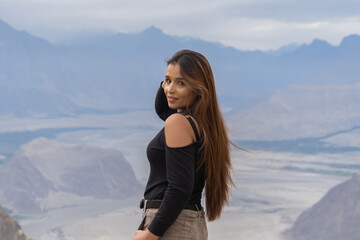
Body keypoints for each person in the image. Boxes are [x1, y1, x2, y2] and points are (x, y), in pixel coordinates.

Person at [132, 49, 240, 240]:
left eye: (181, 83)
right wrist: (171, 82)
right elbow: (162, 108)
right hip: (187, 224)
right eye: (168, 81)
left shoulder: (179, 123)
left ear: (198, 88)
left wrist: (151, 234)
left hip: (172, 227)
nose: (170, 89)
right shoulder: (202, 123)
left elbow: (180, 188)